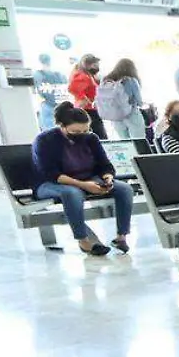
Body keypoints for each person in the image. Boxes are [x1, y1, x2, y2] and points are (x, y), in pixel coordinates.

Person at [32, 103, 132, 256]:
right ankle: (83, 240)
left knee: (124, 189)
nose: (82, 134)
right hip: (51, 183)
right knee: (72, 193)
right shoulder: (45, 141)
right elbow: (51, 173)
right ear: (62, 126)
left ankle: (121, 237)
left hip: (87, 178)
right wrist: (84, 185)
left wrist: (108, 178)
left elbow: (105, 165)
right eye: (76, 131)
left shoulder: (91, 138)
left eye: (86, 130)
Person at [94, 58, 148, 140]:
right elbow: (139, 102)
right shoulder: (131, 80)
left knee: (125, 142)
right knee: (139, 140)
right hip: (131, 114)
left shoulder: (106, 80)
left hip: (115, 115)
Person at [68, 55, 104, 137]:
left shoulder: (88, 75)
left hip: (90, 108)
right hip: (88, 109)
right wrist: (84, 99)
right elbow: (72, 88)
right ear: (88, 65)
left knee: (97, 134)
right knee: (99, 135)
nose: (97, 67)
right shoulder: (82, 76)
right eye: (95, 65)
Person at [33, 54, 69, 128]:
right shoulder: (60, 73)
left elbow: (36, 90)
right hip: (60, 103)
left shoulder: (37, 74)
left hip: (47, 103)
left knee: (49, 128)